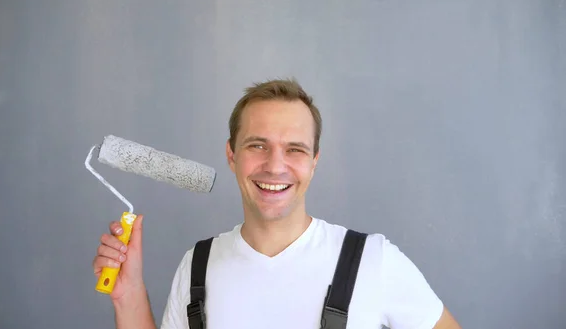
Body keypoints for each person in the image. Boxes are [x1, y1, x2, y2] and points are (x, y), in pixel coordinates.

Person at [92, 78, 462, 329]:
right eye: (257, 145)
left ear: (314, 162)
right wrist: (128, 295)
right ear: (231, 155)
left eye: (295, 149)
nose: (275, 165)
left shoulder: (373, 261)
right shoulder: (197, 267)